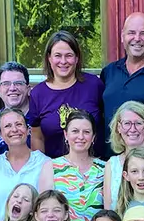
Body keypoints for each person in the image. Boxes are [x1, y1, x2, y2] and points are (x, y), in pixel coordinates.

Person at [28, 30, 105, 158]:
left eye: (69, 55)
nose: (63, 61)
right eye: (58, 55)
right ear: (49, 58)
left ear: (76, 58)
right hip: (56, 170)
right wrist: (41, 168)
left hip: (95, 169)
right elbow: (37, 137)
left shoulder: (94, 85)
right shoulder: (38, 94)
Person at [35, 110, 106, 221]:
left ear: (93, 137)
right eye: (75, 131)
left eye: (86, 132)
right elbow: (45, 210)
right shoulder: (51, 167)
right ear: (66, 135)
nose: (81, 136)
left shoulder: (105, 168)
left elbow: (108, 211)